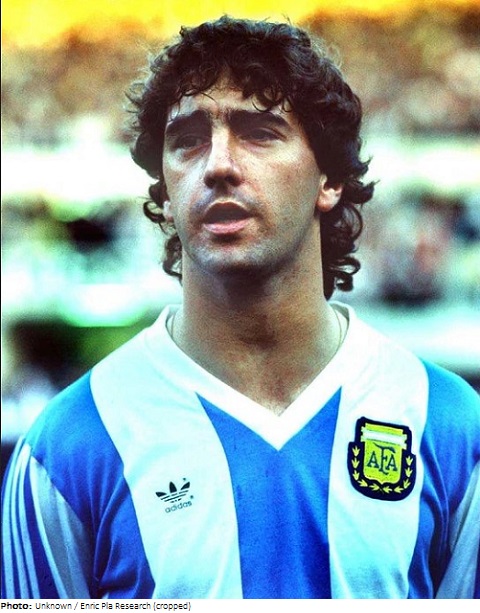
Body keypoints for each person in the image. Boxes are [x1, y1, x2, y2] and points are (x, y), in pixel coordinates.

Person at [2, 16, 479, 600]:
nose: (218, 164)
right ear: (164, 190)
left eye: (259, 132)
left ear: (328, 179)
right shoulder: (68, 448)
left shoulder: (448, 425)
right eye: (187, 140)